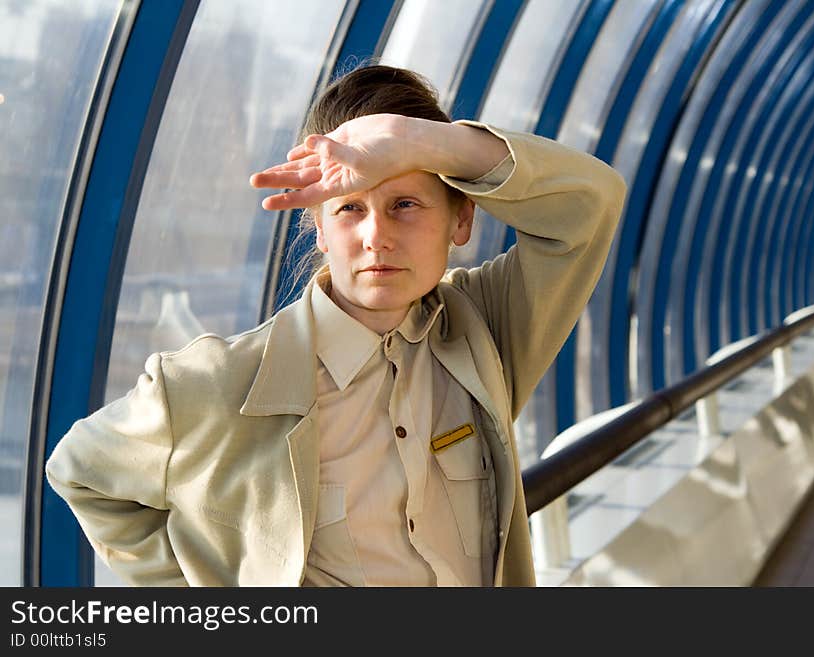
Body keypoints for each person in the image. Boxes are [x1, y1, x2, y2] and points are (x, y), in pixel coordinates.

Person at [45, 64, 627, 587]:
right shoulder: (223, 381)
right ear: (319, 229)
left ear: (461, 217)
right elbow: (80, 471)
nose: (377, 236)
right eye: (350, 208)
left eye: (405, 203)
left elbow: (591, 205)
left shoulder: (484, 331)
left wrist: (419, 142)